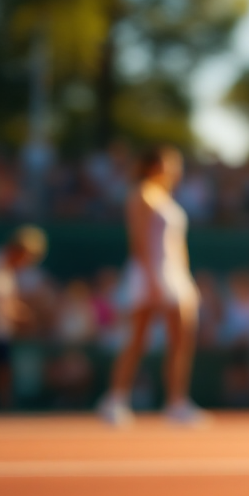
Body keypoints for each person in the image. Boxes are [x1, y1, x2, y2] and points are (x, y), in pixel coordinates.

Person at [97, 146, 206, 426]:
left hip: (174, 273)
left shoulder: (167, 198)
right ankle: (115, 399)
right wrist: (153, 280)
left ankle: (177, 403)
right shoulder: (141, 195)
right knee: (137, 339)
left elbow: (176, 245)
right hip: (150, 274)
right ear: (154, 166)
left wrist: (184, 278)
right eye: (170, 164)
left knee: (181, 341)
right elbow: (140, 242)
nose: (174, 170)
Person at [0, 226, 48, 409]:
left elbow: (6, 304)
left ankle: (6, 411)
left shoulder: (9, 273)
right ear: (17, 250)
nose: (27, 262)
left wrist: (23, 314)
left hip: (1, 333)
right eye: (27, 256)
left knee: (4, 371)